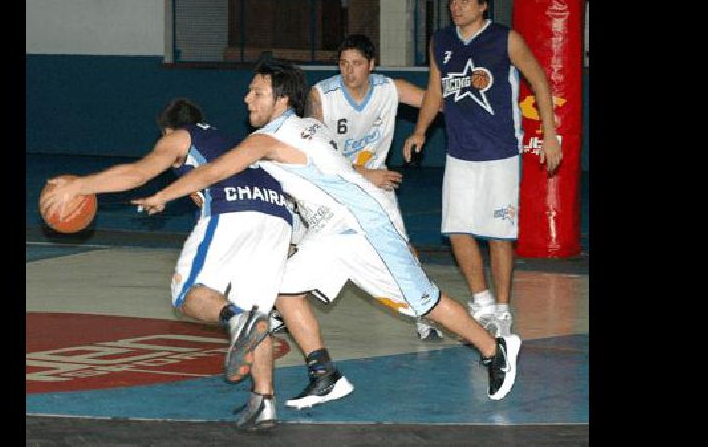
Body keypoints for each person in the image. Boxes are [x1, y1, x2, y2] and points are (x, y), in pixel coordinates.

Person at [133, 58, 521, 409]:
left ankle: (495, 349)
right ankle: (324, 375)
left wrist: (166, 193)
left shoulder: (269, 139)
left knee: (423, 304)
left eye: (257, 91)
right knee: (280, 290)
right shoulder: (300, 129)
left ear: (282, 99)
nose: (247, 98)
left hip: (363, 228)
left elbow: (218, 169)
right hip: (330, 232)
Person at [39, 98, 291, 431]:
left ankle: (238, 320)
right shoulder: (230, 141)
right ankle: (264, 402)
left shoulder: (181, 136)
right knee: (257, 308)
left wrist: (80, 186)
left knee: (186, 291)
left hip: (235, 210)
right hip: (278, 216)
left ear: (167, 130)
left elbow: (138, 173)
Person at [401, 0, 563, 380]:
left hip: (500, 154)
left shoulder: (504, 39)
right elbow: (435, 90)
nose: (457, 7)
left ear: (483, 5)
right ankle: (482, 303)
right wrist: (420, 130)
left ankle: (503, 312)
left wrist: (550, 136)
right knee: (456, 231)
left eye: (465, 0)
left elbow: (540, 82)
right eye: (453, 0)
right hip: (460, 154)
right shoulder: (442, 41)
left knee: (498, 235)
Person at [306, 33, 443, 341]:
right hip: (331, 186)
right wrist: (363, 173)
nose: (348, 71)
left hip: (375, 186)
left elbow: (435, 102)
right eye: (343, 64)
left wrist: (472, 115)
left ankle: (425, 313)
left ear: (371, 65)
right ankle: (278, 311)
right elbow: (314, 153)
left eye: (356, 64)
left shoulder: (388, 89)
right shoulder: (321, 96)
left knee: (404, 251)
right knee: (294, 246)